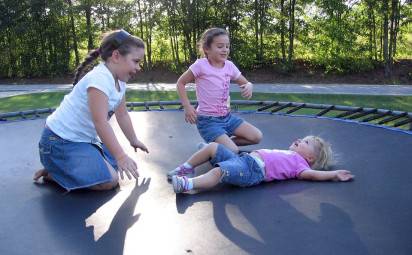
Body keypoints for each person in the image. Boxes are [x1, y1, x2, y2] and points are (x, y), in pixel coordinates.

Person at [33, 29, 149, 191]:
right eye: (136, 61)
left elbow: (122, 114)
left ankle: (65, 168)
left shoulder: (120, 81)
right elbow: (100, 122)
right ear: (116, 56)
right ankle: (55, 171)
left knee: (115, 165)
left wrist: (133, 140)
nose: (138, 67)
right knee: (110, 180)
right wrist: (121, 156)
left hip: (82, 140)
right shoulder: (99, 80)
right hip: (59, 142)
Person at [176, 27, 262, 153]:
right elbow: (180, 83)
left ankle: (211, 148)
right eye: (220, 46)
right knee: (233, 150)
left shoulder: (230, 66)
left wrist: (249, 86)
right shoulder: (201, 65)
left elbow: (246, 83)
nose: (225, 50)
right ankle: (219, 148)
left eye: (227, 46)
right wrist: (187, 107)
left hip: (227, 118)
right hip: (208, 120)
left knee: (256, 136)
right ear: (207, 49)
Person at [168, 136, 354, 193]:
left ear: (311, 158)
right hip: (243, 159)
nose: (300, 140)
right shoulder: (289, 153)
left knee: (220, 172)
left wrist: (334, 174)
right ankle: (185, 168)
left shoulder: (301, 166)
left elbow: (314, 175)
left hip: (251, 171)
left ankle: (188, 185)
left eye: (306, 143)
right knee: (212, 147)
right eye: (303, 138)